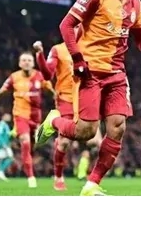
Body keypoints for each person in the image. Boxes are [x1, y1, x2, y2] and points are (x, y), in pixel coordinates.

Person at [35, 0, 141, 196]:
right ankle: (53, 120)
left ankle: (92, 183)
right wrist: (77, 59)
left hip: (117, 74)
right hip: (90, 72)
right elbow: (66, 26)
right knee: (86, 132)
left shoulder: (136, 4)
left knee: (118, 127)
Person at [34, 28, 103, 191]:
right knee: (64, 142)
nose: (78, 29)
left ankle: (82, 171)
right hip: (65, 99)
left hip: (85, 100)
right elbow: (47, 75)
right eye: (75, 27)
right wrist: (39, 55)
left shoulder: (90, 50)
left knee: (95, 143)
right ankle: (58, 177)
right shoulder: (58, 50)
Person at [0, 52, 54, 188]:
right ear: (19, 63)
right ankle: (31, 177)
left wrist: (58, 98)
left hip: (36, 118)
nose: (26, 62)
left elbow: (51, 91)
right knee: (25, 142)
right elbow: (2, 90)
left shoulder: (40, 76)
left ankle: (28, 163)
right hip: (20, 116)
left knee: (33, 145)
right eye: (24, 60)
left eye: (29, 60)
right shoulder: (14, 77)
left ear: (33, 63)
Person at [0, 113, 13, 181]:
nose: (9, 117)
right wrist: (3, 143)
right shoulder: (2, 124)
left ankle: (0, 173)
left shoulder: (5, 124)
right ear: (3, 117)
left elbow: (6, 135)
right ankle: (0, 171)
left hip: (5, 144)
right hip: (2, 145)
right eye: (7, 116)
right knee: (10, 158)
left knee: (2, 159)